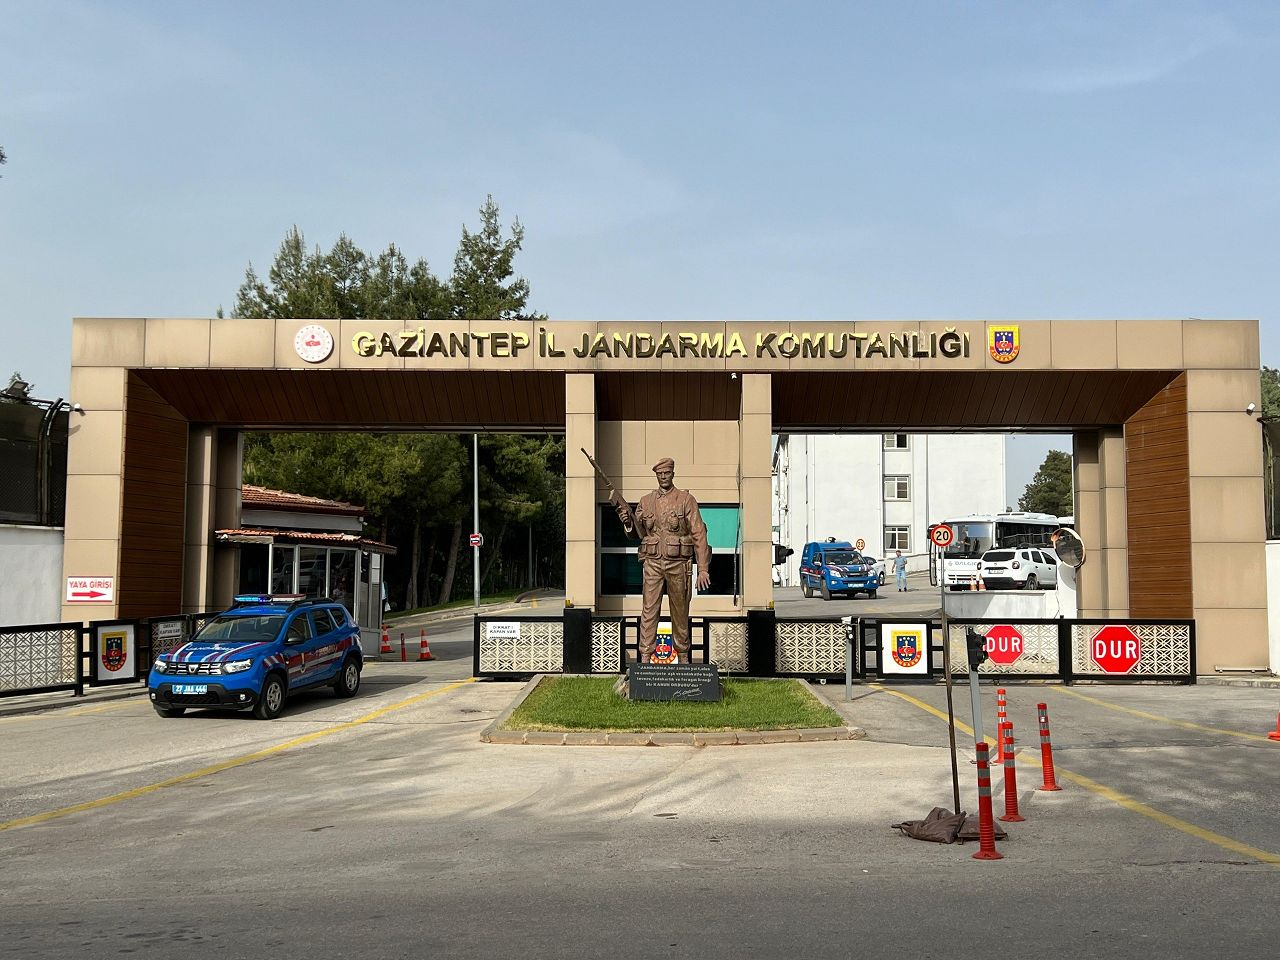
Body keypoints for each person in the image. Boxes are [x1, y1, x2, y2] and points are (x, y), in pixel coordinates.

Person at [615, 458, 712, 663]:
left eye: (667, 473)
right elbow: (636, 533)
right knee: (649, 610)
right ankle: (645, 656)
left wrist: (703, 568)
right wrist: (628, 522)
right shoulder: (645, 501)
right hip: (652, 563)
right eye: (660, 474)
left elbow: (699, 533)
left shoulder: (686, 500)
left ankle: (683, 656)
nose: (663, 477)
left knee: (680, 610)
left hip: (678, 563)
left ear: (673, 474)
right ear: (656, 476)